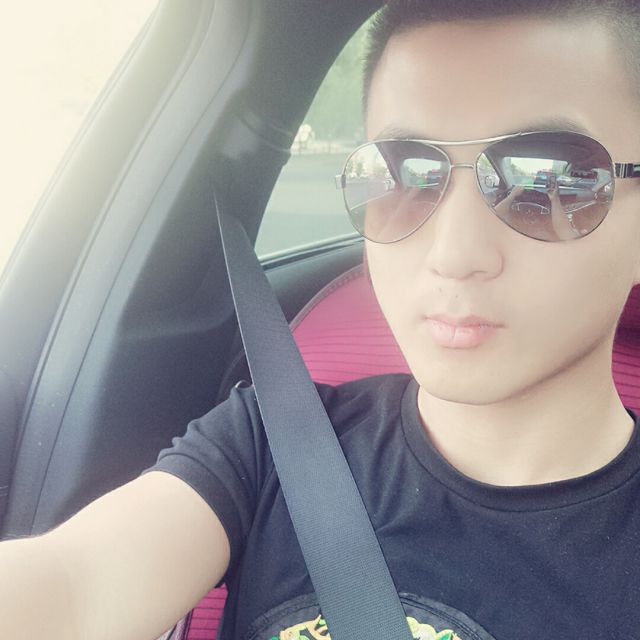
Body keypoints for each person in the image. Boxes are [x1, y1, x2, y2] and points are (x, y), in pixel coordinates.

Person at [3, 1, 640, 638]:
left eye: (548, 182)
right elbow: (75, 586)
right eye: (401, 176)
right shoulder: (275, 440)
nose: (453, 255)